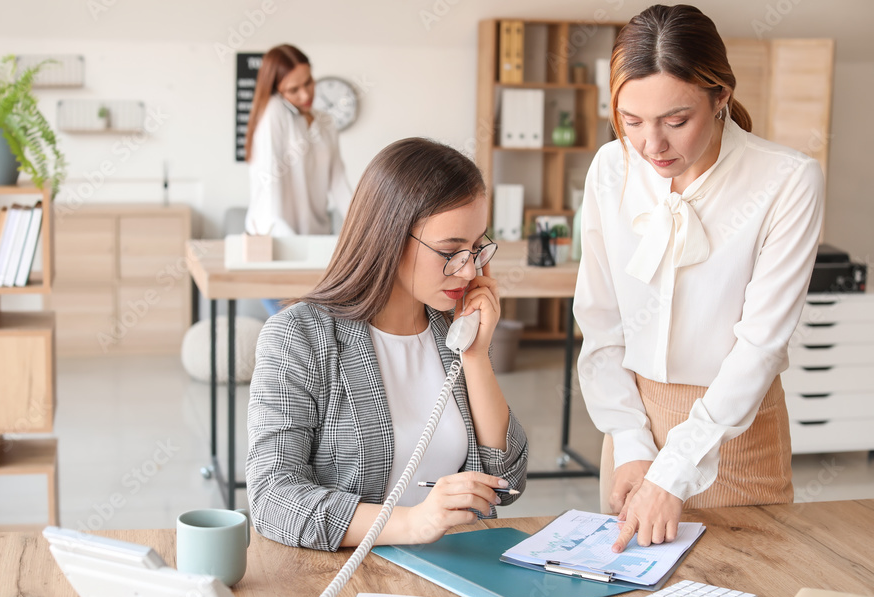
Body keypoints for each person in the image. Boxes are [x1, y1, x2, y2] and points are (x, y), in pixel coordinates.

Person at [574, 4, 824, 553]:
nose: (651, 145)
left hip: (735, 434)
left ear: (720, 97)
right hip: (633, 424)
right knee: (631, 591)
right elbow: (601, 321)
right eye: (631, 121)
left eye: (675, 121)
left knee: (747, 583)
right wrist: (632, 442)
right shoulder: (611, 168)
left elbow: (760, 345)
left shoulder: (787, 181)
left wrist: (674, 471)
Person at [246, 138, 528, 551]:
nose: (469, 271)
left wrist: (475, 355)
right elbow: (271, 497)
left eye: (476, 249)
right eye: (450, 251)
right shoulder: (299, 336)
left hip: (454, 564)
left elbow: (507, 481)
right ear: (390, 237)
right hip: (350, 571)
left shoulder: (450, 329)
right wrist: (412, 523)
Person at [243, 44, 353, 316]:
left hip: (313, 242)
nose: (305, 95)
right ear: (276, 90)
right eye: (294, 89)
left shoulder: (325, 122)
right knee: (295, 329)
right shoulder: (274, 112)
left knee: (315, 329)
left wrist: (366, 229)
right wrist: (297, 250)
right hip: (276, 243)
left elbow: (339, 183)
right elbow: (270, 187)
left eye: (308, 83)